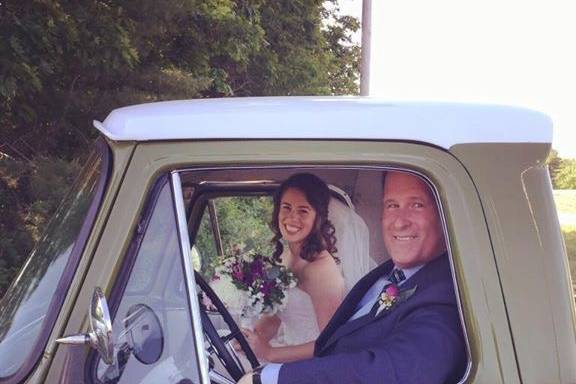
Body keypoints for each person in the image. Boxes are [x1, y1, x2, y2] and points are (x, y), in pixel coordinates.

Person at [238, 171, 467, 384]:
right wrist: (256, 338)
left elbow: (397, 370)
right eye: (392, 205)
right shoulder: (390, 272)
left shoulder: (447, 295)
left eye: (416, 205)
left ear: (445, 213)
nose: (399, 221)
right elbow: (328, 337)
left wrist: (272, 374)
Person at [241, 173, 346, 363]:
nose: (292, 218)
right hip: (287, 354)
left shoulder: (321, 271)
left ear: (318, 217)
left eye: (303, 211)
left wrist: (270, 354)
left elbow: (330, 343)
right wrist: (252, 338)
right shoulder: (286, 255)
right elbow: (278, 313)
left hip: (311, 368)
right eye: (286, 208)